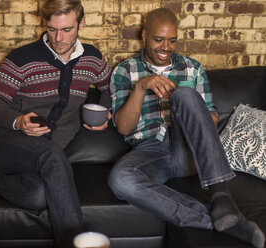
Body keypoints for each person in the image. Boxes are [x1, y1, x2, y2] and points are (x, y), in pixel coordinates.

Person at [0, 0, 112, 247]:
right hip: (3, 141)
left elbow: (110, 87)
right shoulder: (22, 58)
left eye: (67, 30)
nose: (59, 38)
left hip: (44, 153)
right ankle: (75, 242)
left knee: (38, 195)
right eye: (52, 29)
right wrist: (18, 121)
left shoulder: (92, 59)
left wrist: (105, 110)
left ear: (81, 24)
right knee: (53, 156)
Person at [108, 7, 265, 248]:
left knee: (184, 96)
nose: (165, 47)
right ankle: (218, 220)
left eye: (172, 40)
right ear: (144, 35)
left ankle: (222, 196)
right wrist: (141, 87)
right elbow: (123, 129)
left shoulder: (192, 68)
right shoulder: (124, 70)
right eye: (158, 39)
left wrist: (186, 107)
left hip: (188, 149)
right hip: (150, 151)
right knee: (120, 179)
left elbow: (211, 121)